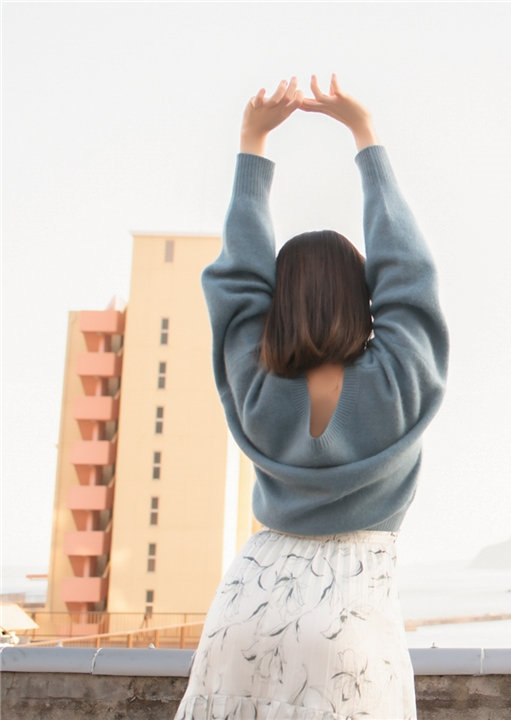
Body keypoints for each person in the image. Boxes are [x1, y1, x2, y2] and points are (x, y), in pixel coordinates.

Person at [174, 75, 449, 720]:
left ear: (277, 303)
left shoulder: (258, 385)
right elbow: (410, 275)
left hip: (247, 600)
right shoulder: (395, 383)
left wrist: (253, 143)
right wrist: (365, 137)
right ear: (364, 297)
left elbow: (237, 284)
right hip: (349, 615)